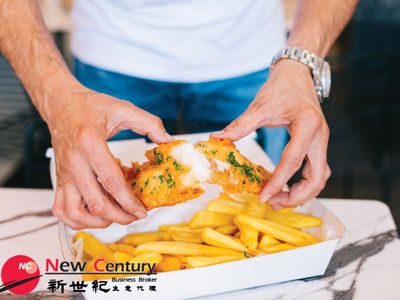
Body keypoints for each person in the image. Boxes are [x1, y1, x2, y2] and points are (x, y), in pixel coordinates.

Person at [0, 0, 358, 229]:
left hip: (257, 61)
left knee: (262, 209)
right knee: (104, 209)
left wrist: (302, 62)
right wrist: (55, 96)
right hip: (108, 57)